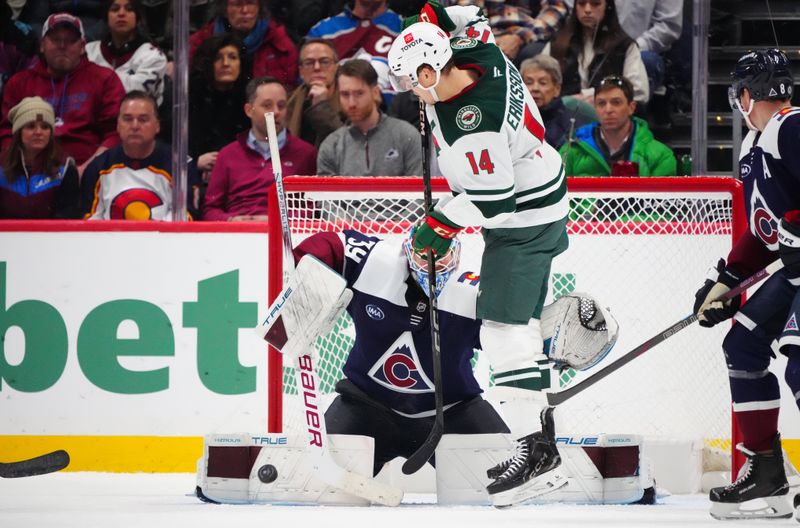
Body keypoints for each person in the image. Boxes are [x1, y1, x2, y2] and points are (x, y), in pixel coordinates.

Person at [388, 13, 569, 505]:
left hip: (522, 222)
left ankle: (539, 455)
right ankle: (542, 431)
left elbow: (495, 203)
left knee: (501, 330)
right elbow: (470, 17)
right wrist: (423, 19)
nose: (410, 91)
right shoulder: (478, 49)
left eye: (411, 81)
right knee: (520, 329)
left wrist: (440, 225)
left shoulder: (474, 126)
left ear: (430, 72)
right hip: (542, 192)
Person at [692, 49, 799, 521]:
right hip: (795, 272)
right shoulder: (756, 143)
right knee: (743, 345)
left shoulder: (792, 127)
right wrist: (726, 282)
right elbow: (763, 232)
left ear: (746, 93)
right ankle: (768, 473)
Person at [0, 13, 126, 175]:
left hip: (89, 171)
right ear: (42, 45)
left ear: (82, 46)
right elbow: (6, 132)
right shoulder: (19, 83)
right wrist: (22, 167)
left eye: (71, 40)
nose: (62, 45)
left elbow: (116, 132)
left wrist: (88, 170)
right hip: (30, 172)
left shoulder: (105, 79)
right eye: (55, 39)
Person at [202, 76, 317, 221]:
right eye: (267, 105)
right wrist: (231, 220)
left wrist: (278, 221)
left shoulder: (306, 153)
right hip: (236, 236)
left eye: (281, 105)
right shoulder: (227, 155)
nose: (276, 112)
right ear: (249, 110)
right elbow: (210, 210)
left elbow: (313, 208)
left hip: (286, 236)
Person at [79, 91, 178, 220]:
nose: (135, 126)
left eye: (143, 119)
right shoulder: (98, 168)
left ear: (157, 126)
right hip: (111, 240)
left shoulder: (177, 165)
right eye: (128, 119)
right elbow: (89, 222)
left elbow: (185, 216)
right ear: (118, 125)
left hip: (161, 240)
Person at [317, 59, 422, 178]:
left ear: (375, 92)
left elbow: (419, 192)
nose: (351, 103)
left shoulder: (406, 135)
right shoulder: (331, 146)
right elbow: (326, 196)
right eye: (345, 94)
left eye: (359, 93)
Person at [559, 75, 675, 177]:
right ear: (595, 108)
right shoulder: (569, 152)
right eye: (601, 103)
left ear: (631, 107)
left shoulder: (661, 156)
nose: (608, 110)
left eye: (616, 102)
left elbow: (661, 201)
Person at [543, 0, 649, 105]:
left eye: (595, 4)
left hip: (608, 116)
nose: (587, 10)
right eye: (581, 4)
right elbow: (541, 83)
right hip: (562, 115)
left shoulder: (624, 46)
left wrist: (593, 96)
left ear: (607, 7)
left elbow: (639, 92)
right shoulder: (557, 43)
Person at [306, 0, 403, 106]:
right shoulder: (321, 32)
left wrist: (382, 99)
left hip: (393, 115)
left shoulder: (407, 30)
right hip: (332, 114)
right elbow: (307, 82)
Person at [188, 0, 298, 90]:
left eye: (250, 3)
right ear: (224, 9)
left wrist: (268, 116)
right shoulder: (200, 43)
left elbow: (286, 99)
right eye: (237, 4)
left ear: (259, 8)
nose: (245, 11)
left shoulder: (280, 44)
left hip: (267, 115)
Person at [0, 97, 79, 219]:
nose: (38, 132)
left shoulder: (65, 168)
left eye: (45, 127)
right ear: (18, 132)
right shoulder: (1, 167)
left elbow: (67, 216)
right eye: (31, 126)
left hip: (51, 236)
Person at [188, 33, 250, 181]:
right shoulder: (189, 97)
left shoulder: (250, 98)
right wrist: (195, 163)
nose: (226, 63)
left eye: (232, 57)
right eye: (218, 58)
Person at [86, 0, 168, 106]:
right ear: (106, 16)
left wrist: (96, 81)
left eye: (129, 9)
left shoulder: (153, 55)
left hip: (135, 120)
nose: (121, 13)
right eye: (115, 9)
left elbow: (136, 97)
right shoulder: (89, 51)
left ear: (137, 17)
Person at [520, 55, 591, 150]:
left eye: (542, 83)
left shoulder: (573, 125)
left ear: (557, 89)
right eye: (529, 82)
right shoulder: (513, 118)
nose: (535, 88)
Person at [615, 0, 682, 98]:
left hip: (642, 52)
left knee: (647, 61)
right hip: (598, 47)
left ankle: (629, 109)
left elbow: (669, 26)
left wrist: (634, 47)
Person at [286, 38, 343, 149]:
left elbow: (346, 145)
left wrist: (321, 107)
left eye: (324, 61)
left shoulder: (350, 100)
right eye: (309, 63)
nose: (317, 68)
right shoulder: (288, 104)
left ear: (336, 67)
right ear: (301, 71)